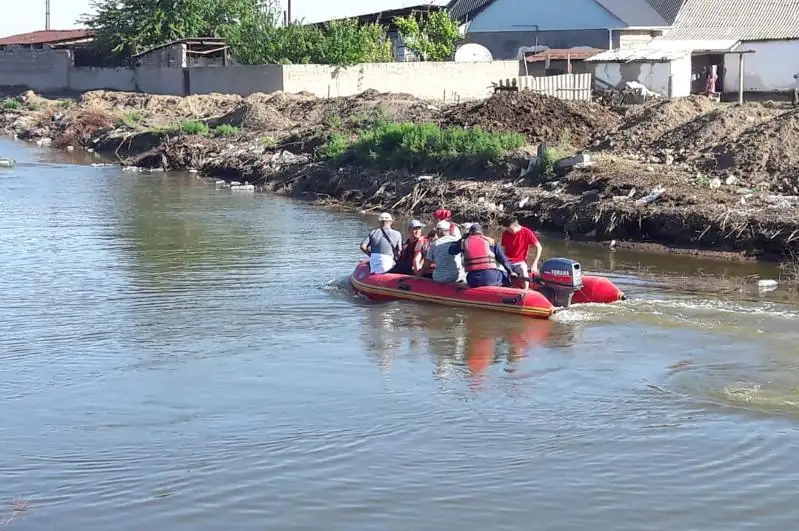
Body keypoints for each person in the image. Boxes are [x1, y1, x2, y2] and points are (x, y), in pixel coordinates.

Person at [449, 223, 517, 288]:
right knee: (505, 275)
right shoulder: (491, 242)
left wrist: (462, 239)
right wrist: (511, 272)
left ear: (469, 233)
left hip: (473, 280)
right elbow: (504, 260)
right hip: (491, 277)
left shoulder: (464, 243)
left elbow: (451, 251)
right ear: (482, 233)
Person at [500, 216, 543, 290]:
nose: (509, 231)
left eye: (510, 229)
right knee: (498, 270)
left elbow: (539, 247)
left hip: (520, 262)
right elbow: (503, 249)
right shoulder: (506, 233)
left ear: (515, 226)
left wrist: (534, 264)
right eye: (507, 229)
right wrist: (503, 262)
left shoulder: (527, 232)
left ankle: (526, 290)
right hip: (507, 261)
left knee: (523, 270)